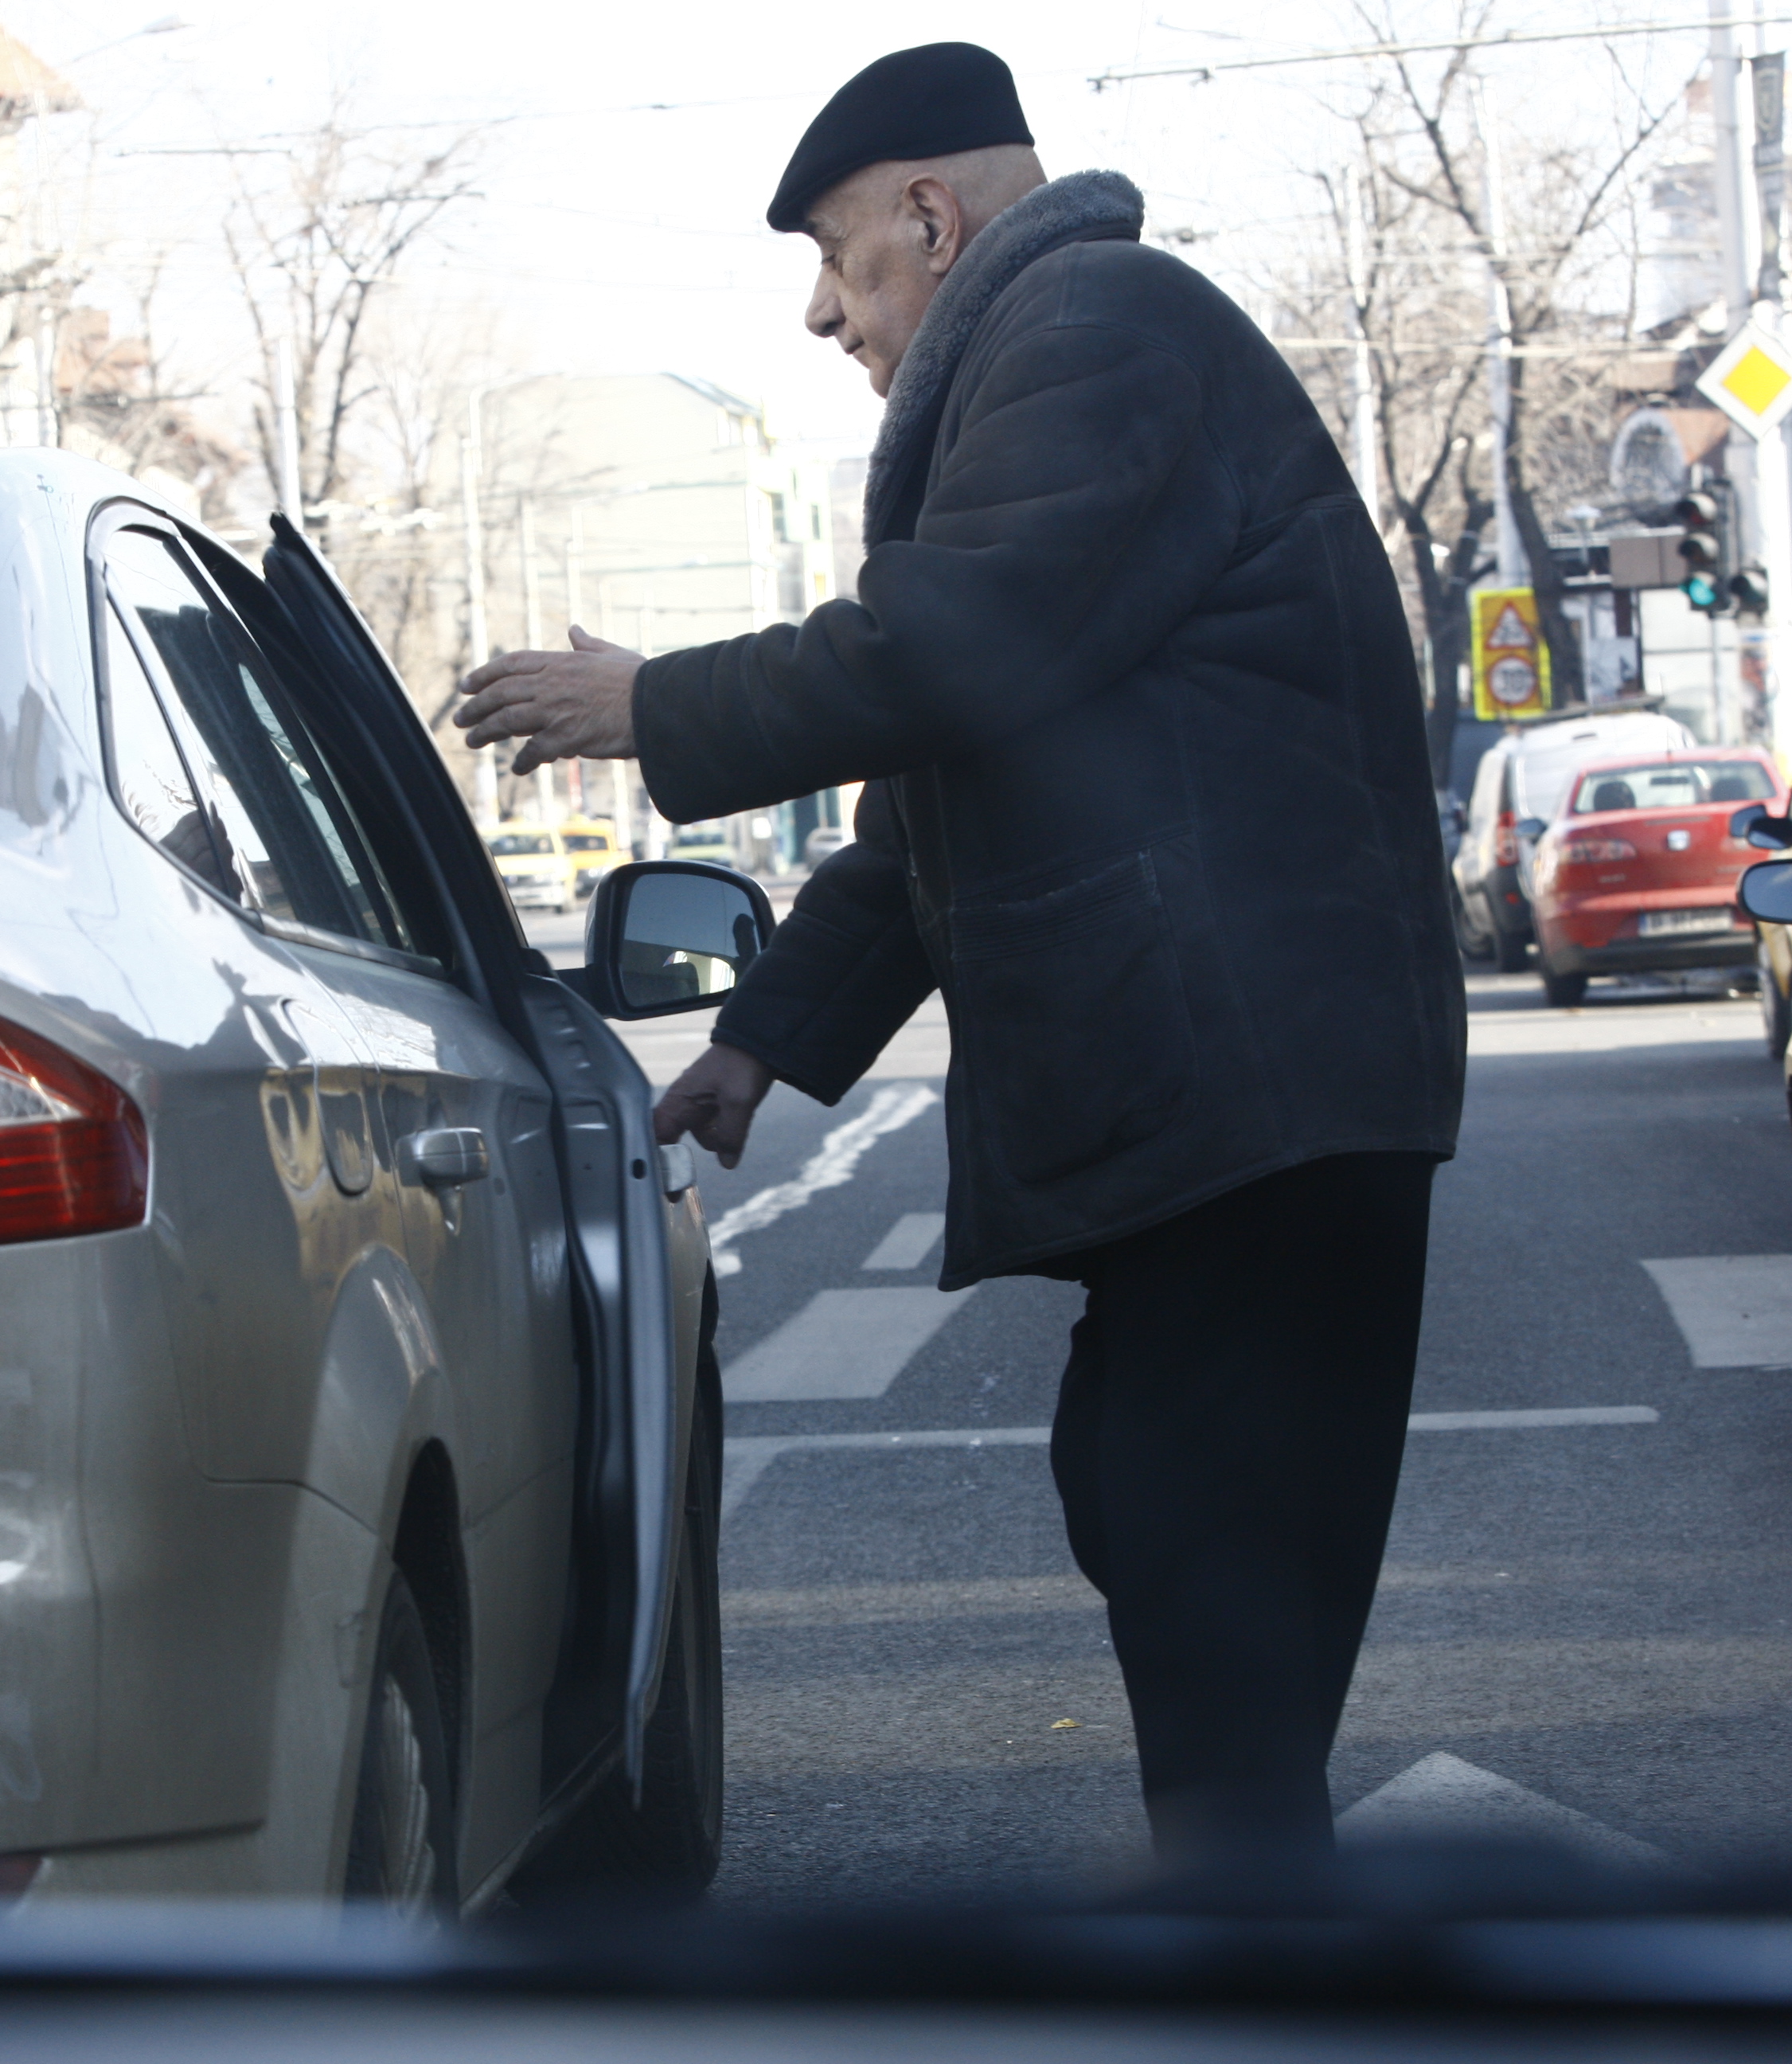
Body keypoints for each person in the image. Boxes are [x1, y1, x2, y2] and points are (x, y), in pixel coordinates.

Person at [452, 43, 1466, 1863]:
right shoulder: (1053, 350)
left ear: (933, 216)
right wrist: (766, 1033)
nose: (823, 314)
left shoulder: (1099, 327)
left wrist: (654, 702)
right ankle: (1258, 1936)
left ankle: (1267, 1969)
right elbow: (951, 777)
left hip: (1259, 1093)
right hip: (1241, 1098)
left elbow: (953, 649)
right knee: (1181, 1551)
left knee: (1210, 1579)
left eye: (841, 262)